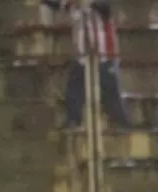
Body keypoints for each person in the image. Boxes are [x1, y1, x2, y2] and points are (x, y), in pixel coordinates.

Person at [40, 0, 130, 130]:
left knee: (111, 92)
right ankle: (73, 121)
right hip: (81, 56)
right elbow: (56, 4)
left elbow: (106, 6)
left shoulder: (102, 5)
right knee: (74, 90)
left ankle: (122, 123)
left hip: (105, 55)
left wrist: (86, 3)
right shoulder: (74, 4)